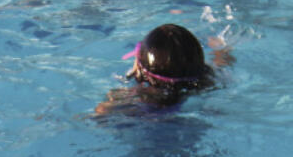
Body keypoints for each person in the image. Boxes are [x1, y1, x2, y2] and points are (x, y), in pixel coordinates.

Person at [95, 24, 228, 116]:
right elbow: (222, 62)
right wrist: (220, 49)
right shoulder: (212, 82)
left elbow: (99, 114)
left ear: (140, 66)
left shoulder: (126, 101)